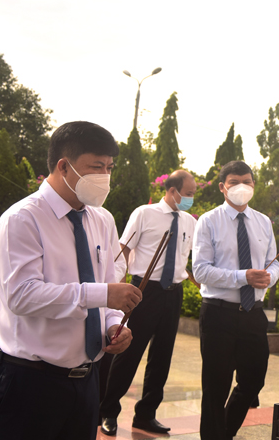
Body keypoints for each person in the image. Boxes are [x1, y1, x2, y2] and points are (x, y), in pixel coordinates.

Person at [0, 121, 141, 440]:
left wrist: (115, 324)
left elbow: (108, 286)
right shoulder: (23, 219)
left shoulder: (102, 220)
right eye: (96, 167)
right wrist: (100, 296)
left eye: (110, 167)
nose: (105, 177)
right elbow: (21, 296)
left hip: (86, 381)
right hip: (28, 383)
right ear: (64, 166)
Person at [100, 170, 198, 436]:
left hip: (173, 292)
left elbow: (182, 258)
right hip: (144, 289)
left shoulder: (189, 221)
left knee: (162, 356)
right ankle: (107, 411)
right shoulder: (144, 213)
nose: (191, 198)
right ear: (173, 191)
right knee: (129, 352)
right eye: (188, 194)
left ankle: (146, 414)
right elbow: (124, 250)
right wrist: (115, 288)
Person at [192, 160, 279, 440]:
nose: (242, 187)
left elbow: (273, 263)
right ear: (222, 187)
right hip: (219, 314)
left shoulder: (263, 222)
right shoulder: (209, 221)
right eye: (234, 182)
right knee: (216, 386)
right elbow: (200, 270)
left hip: (253, 313)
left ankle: (225, 432)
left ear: (254, 184)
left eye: (247, 181)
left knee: (253, 381)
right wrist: (243, 277)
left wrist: (269, 277)